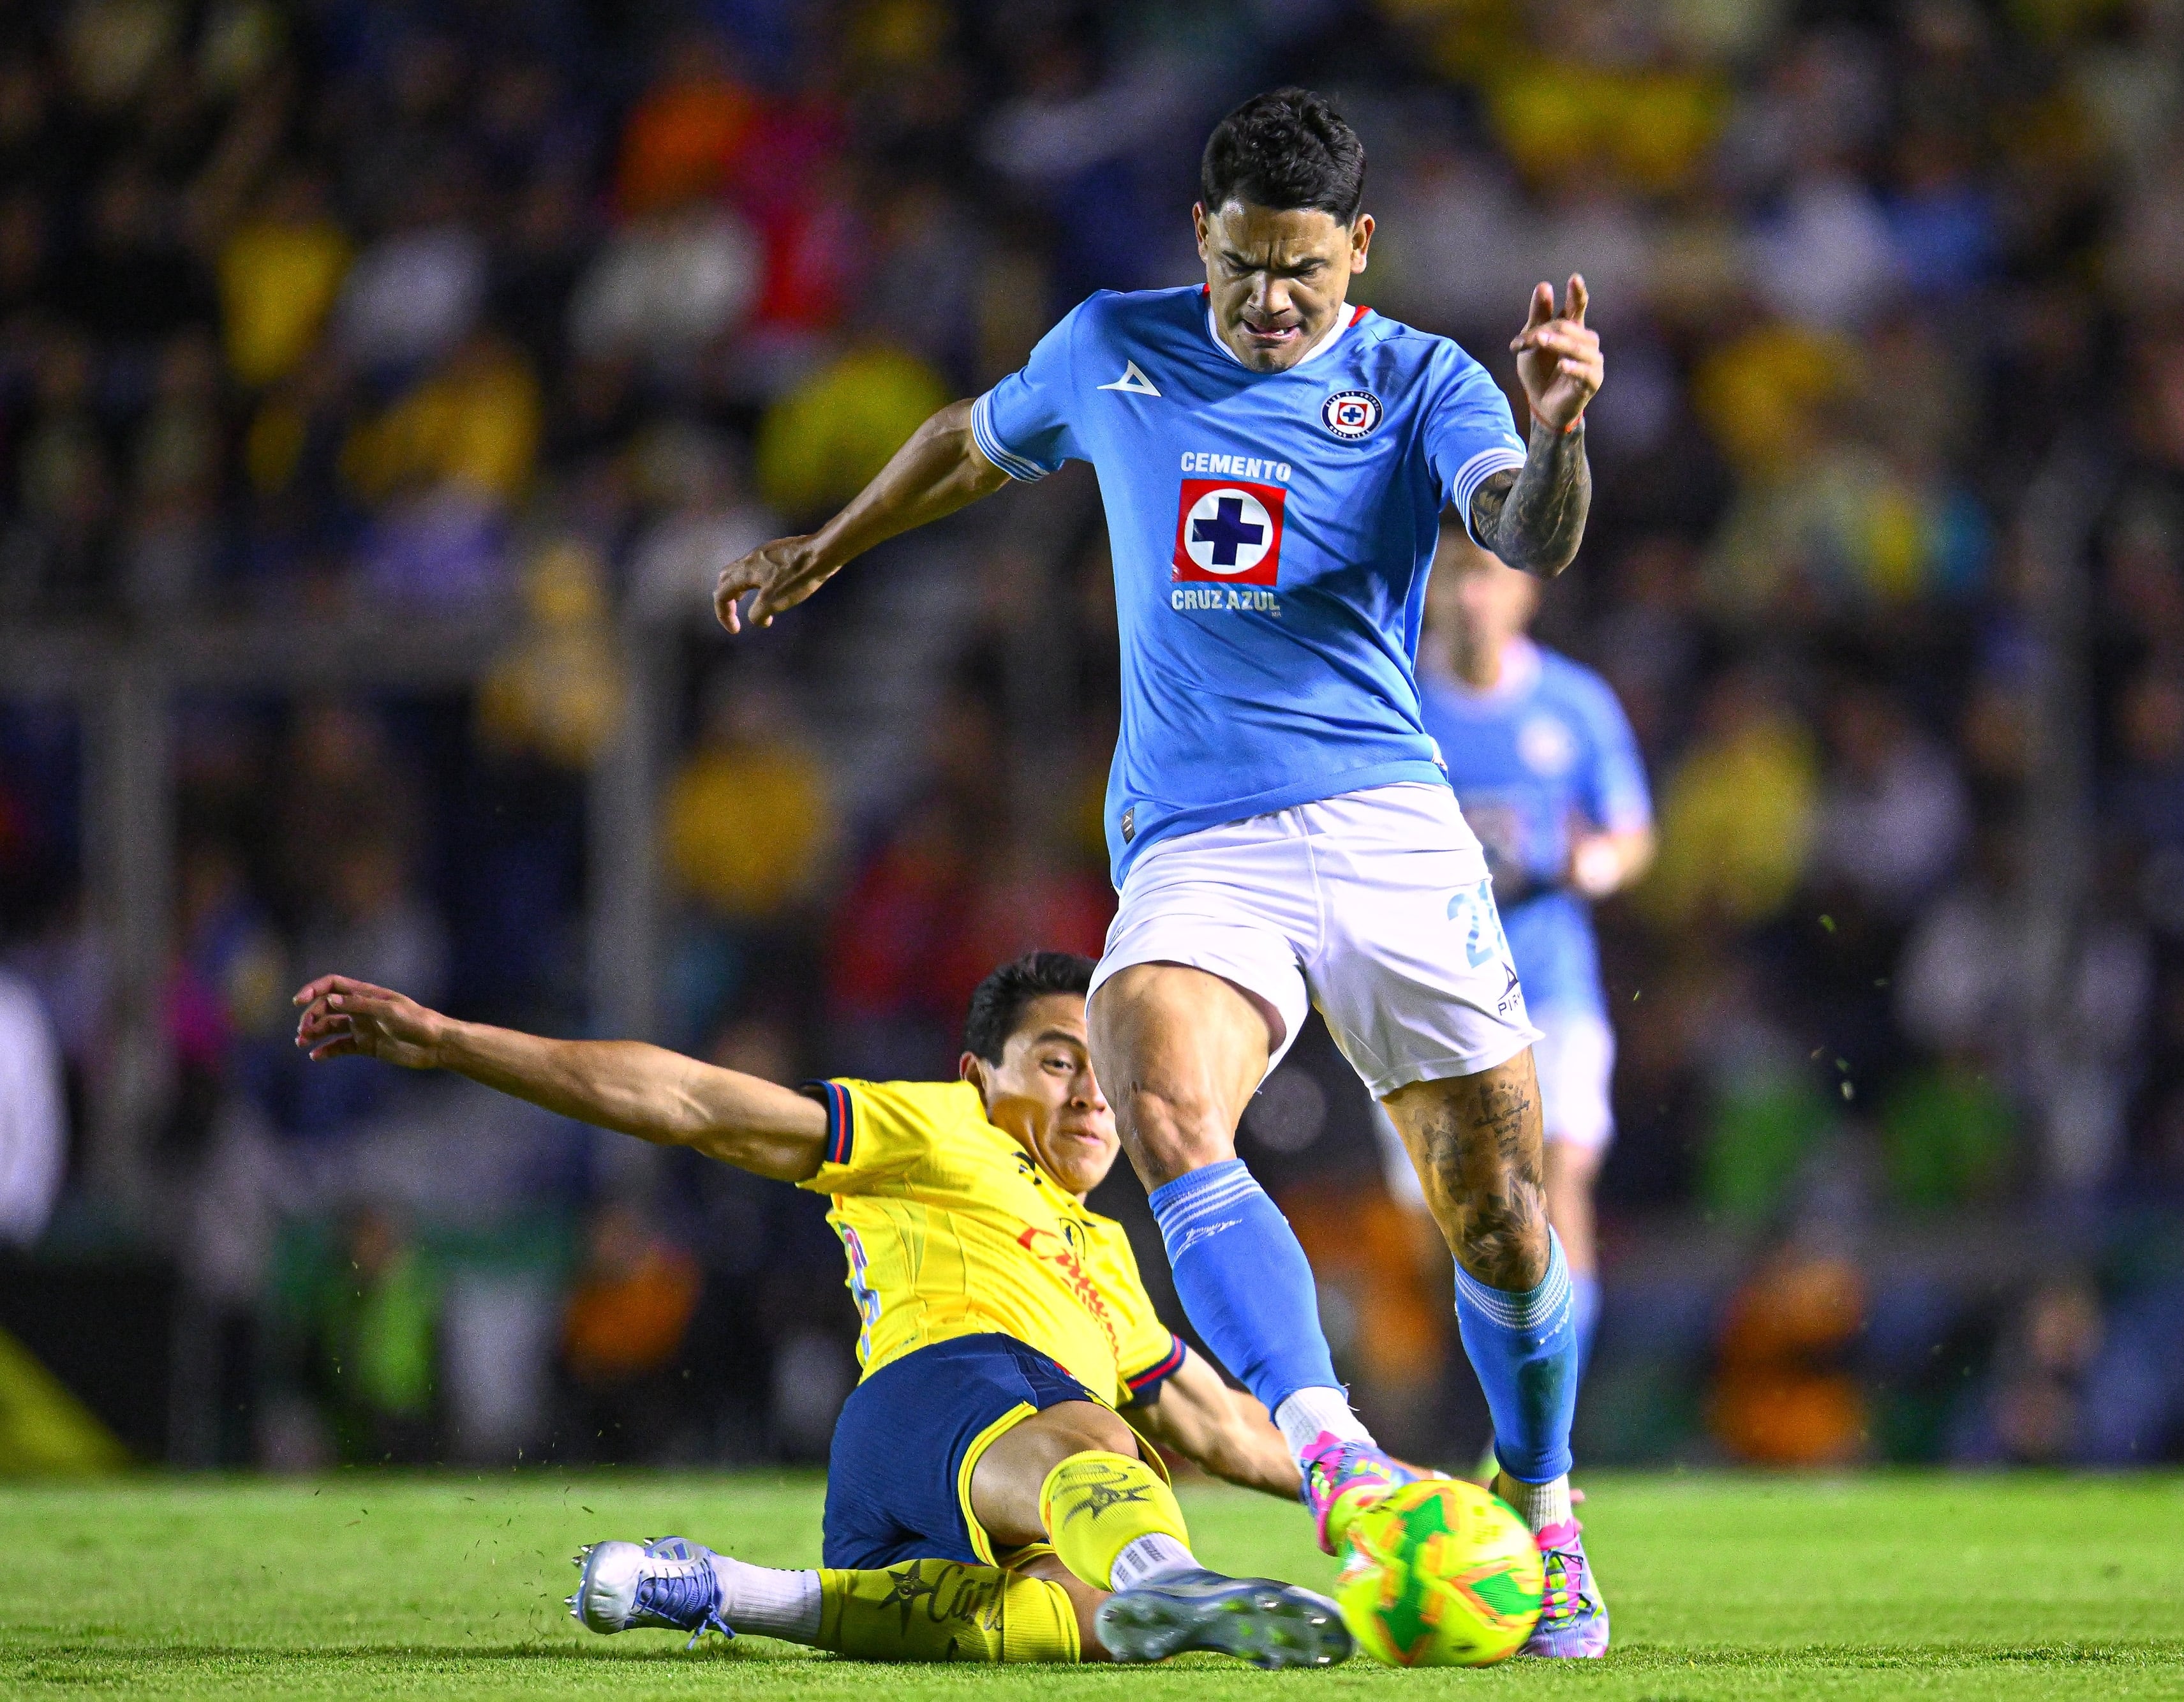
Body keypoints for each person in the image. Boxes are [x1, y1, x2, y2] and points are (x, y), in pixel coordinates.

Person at [712, 87, 1610, 1655]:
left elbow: (1523, 537)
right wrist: (821, 548)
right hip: (1196, 840)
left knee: (1504, 1221)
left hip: (1390, 826)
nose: (1268, 302)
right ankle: (1335, 1463)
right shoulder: (1109, 346)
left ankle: (1539, 1502)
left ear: (1360, 252)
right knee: (1163, 1087)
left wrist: (1552, 437)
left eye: (1303, 273)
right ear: (1201, 232)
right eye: (1243, 265)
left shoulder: (1419, 379)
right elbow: (959, 446)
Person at [292, 952, 1351, 1668]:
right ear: (980, 1074)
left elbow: (1221, 1427)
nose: (1090, 1097)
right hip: (950, 1393)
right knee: (1099, 1437)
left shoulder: (1110, 1260)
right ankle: (1179, 1579)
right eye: (1060, 1062)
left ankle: (726, 1589)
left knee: (1069, 1619)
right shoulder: (946, 1130)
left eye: (1107, 1075)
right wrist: (456, 1043)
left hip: (913, 1500)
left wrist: (1391, 1494)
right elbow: (698, 1104)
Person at [1413, 523, 1652, 1373]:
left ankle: (1557, 1409)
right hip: (1430, 996)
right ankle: (1477, 1395)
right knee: (1455, 1217)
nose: (1467, 597)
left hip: (1551, 985)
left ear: (1525, 592)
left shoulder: (1574, 705)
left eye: (1483, 576)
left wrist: (1598, 862)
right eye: (1450, 579)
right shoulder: (1398, 696)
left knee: (1559, 1181)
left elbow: (1633, 833)